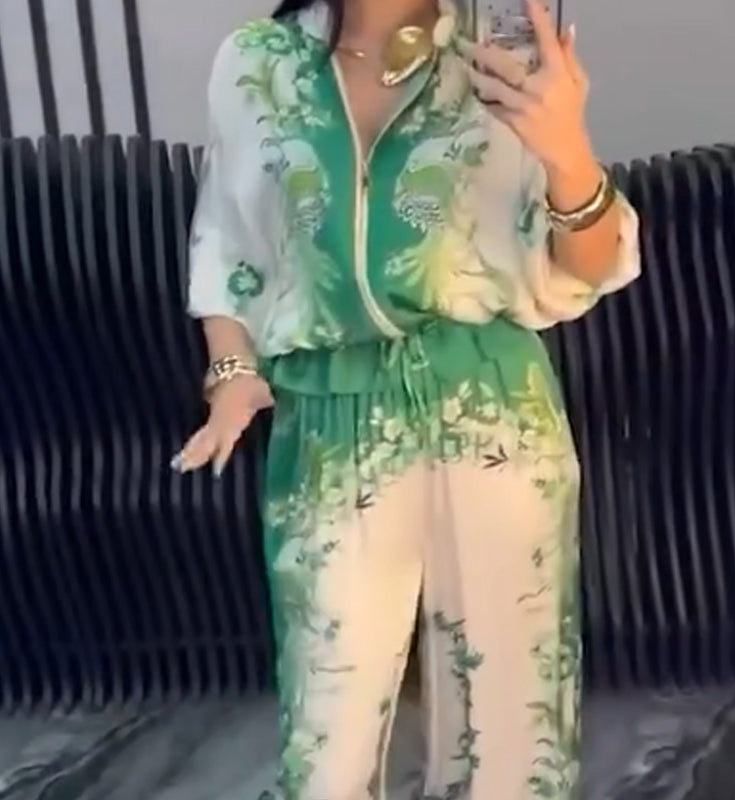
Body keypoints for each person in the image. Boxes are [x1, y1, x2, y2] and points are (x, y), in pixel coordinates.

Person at [175, 0, 640, 796]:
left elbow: (590, 267)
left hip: (489, 413)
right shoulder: (258, 63)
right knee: (326, 741)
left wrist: (568, 152)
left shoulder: (495, 53)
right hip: (329, 422)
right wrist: (232, 374)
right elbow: (227, 239)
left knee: (509, 736)